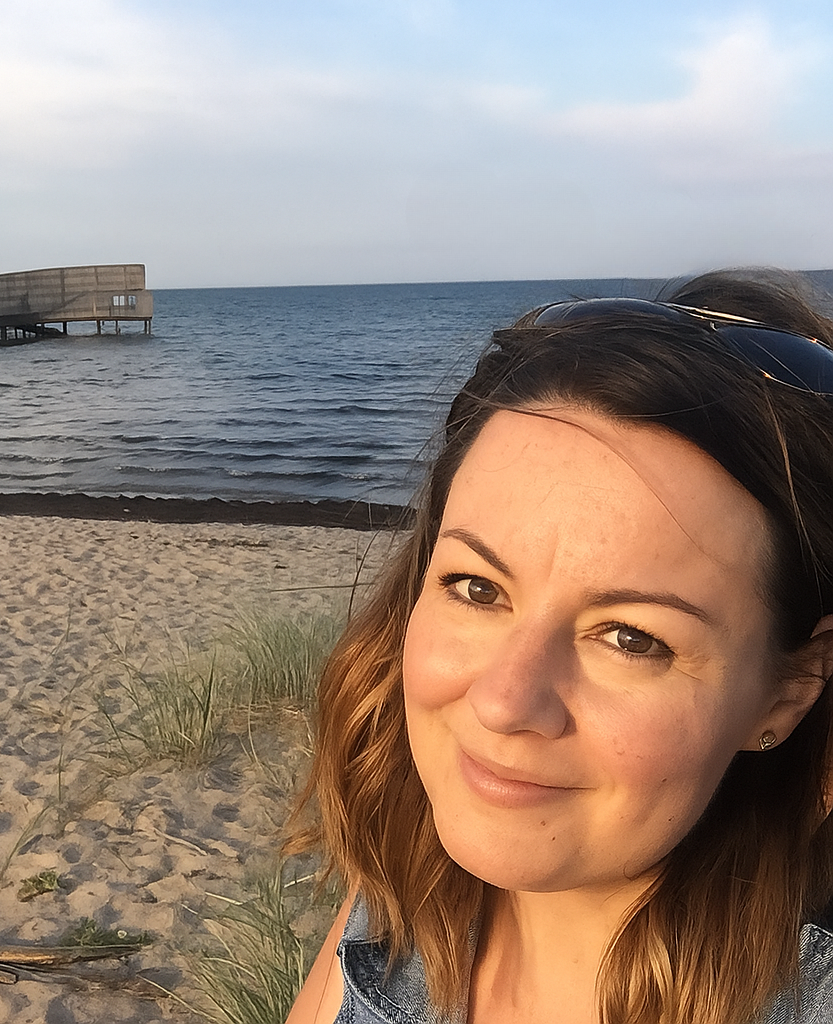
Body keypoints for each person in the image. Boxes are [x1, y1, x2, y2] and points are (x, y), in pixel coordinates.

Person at [285, 269, 833, 1024]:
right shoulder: (401, 898)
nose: (505, 701)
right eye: (478, 588)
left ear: (788, 689)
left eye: (631, 637)